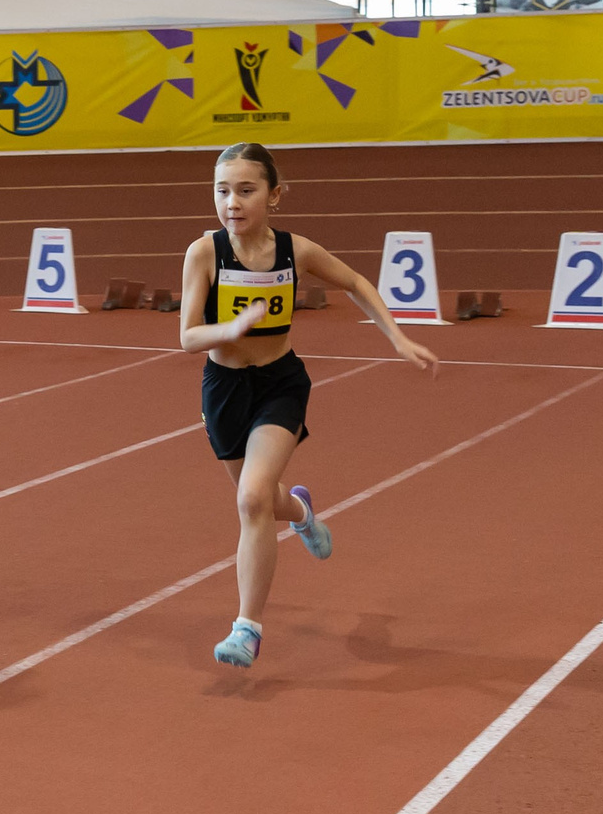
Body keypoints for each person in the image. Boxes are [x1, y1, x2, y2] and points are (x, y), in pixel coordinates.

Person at [178, 141, 437, 670]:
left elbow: (356, 281)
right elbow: (186, 336)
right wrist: (226, 329)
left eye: (246, 190)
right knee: (264, 500)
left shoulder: (295, 251)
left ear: (275, 195)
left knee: (251, 500)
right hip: (224, 390)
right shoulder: (204, 252)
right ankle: (300, 512)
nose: (232, 202)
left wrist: (397, 338)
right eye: (222, 191)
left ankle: (246, 629)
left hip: (280, 384)